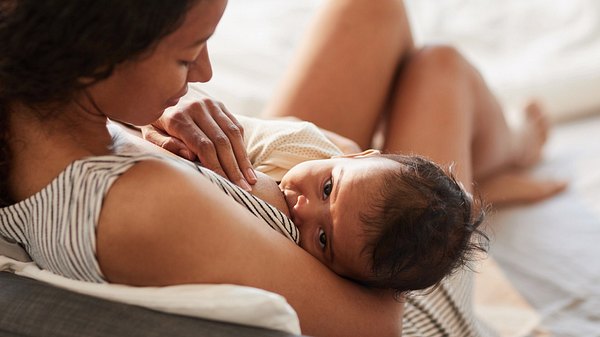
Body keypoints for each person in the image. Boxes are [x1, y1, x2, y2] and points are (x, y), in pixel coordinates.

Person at [0, 1, 404, 337]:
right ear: (94, 53)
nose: (205, 74)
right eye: (187, 55)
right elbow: (382, 327)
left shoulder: (31, 110)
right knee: (444, 73)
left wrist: (144, 118)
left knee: (373, 8)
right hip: (405, 293)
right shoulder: (148, 206)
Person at [117, 109, 488, 295]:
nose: (301, 209)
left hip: (431, 309)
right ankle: (507, 156)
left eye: (323, 239)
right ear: (353, 157)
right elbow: (208, 137)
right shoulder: (299, 144)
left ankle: (504, 164)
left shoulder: (356, 268)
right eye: (327, 189)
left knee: (442, 62)